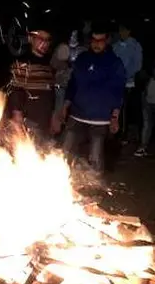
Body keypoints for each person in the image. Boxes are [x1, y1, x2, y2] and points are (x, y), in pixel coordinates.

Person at [54, 25, 126, 173]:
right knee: (64, 152)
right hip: (76, 115)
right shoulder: (82, 59)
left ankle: (96, 189)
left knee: (95, 157)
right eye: (94, 40)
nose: (96, 44)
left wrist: (115, 116)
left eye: (100, 40)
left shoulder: (114, 63)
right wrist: (65, 106)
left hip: (100, 119)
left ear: (107, 41)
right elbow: (72, 84)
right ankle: (63, 180)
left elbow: (118, 91)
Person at [7, 25, 55, 141]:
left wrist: (53, 116)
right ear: (30, 39)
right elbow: (15, 90)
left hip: (45, 120)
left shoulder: (49, 63)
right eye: (40, 39)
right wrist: (17, 115)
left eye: (47, 40)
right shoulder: (23, 63)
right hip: (29, 122)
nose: (44, 43)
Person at [113, 23, 143, 142]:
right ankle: (116, 131)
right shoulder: (116, 46)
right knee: (116, 107)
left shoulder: (135, 45)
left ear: (129, 31)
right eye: (120, 30)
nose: (122, 33)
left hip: (127, 82)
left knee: (124, 108)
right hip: (115, 81)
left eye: (124, 30)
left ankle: (123, 134)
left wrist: (125, 76)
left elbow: (137, 65)